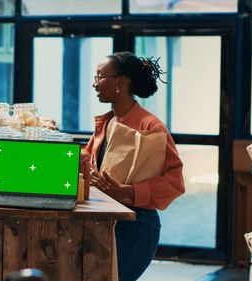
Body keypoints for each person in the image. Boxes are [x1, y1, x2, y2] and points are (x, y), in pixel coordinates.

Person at [85, 51, 185, 281]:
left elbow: (174, 183)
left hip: (136, 227)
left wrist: (127, 192)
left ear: (121, 81)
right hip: (107, 222)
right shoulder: (107, 121)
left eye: (100, 76)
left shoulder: (151, 127)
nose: (94, 83)